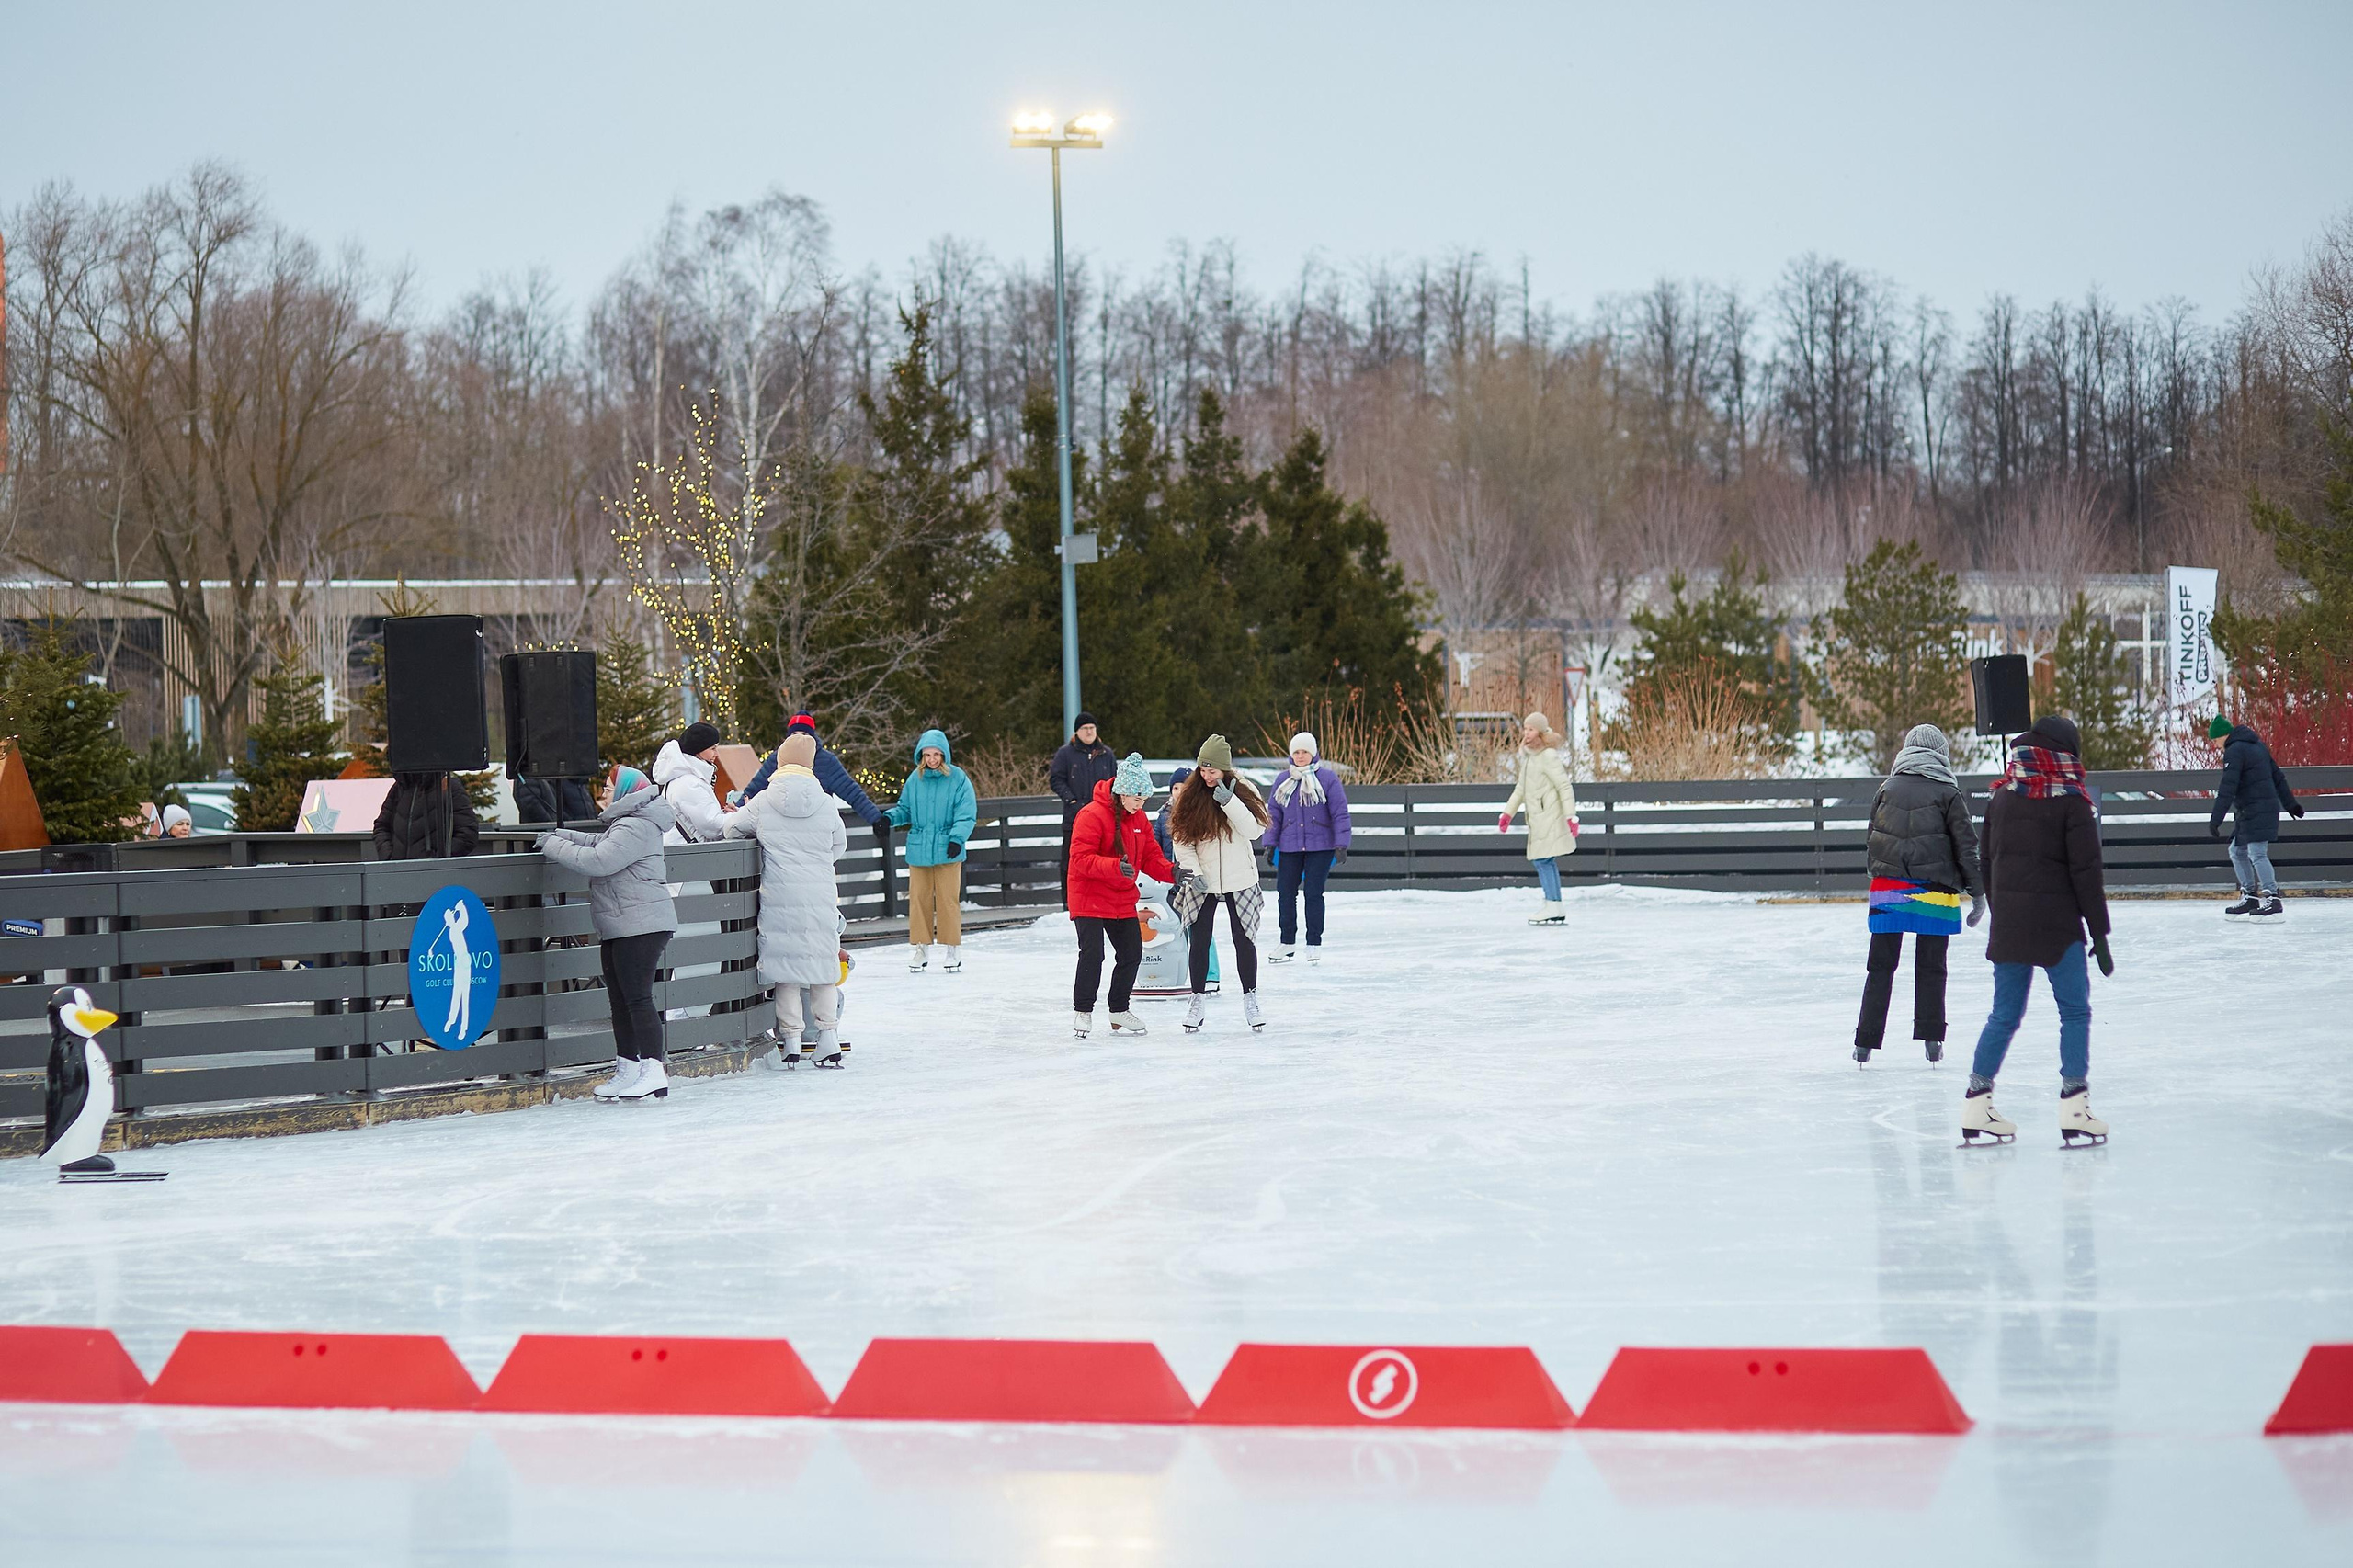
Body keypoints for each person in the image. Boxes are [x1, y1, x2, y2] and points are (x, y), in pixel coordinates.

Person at [1961, 715, 2114, 1148]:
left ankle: (1976, 1101)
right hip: (2058, 927)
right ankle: (2074, 1107)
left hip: (2009, 926)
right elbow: (2087, 874)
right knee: (2075, 1012)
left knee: (2004, 1015)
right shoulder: (2073, 802)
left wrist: (2004, 906)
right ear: (2067, 754)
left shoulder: (2002, 799)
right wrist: (2099, 934)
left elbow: (1986, 864)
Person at [538, 765, 679, 1102]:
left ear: (624, 791)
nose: (601, 791)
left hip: (641, 924)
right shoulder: (625, 823)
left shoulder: (636, 825)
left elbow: (598, 860)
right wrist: (560, 834)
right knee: (620, 1001)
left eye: (607, 786)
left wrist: (550, 846)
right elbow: (594, 841)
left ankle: (653, 1070)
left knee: (637, 999)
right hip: (622, 922)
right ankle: (628, 1067)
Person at [1855, 723, 1984, 1066]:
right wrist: (1978, 894)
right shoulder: (1947, 792)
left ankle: (1864, 1043)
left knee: (1880, 967)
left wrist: (1881, 875)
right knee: (1931, 968)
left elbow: (1872, 837)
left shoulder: (1887, 787)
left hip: (1889, 888)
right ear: (1941, 753)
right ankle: (1931, 1040)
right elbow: (1967, 849)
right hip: (1934, 893)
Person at [724, 733, 849, 1066]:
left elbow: (731, 829)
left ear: (780, 760)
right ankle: (829, 1036)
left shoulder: (764, 800)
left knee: (786, 970)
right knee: (823, 965)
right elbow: (839, 846)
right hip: (820, 894)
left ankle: (792, 1040)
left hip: (780, 894)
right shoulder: (825, 801)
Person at [1168, 734, 1269, 1034]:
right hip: (1205, 878)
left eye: (1213, 771)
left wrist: (1230, 802)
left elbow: (1253, 831)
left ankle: (1250, 997)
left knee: (1244, 938)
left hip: (1240, 877)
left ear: (1225, 769)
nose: (1206, 776)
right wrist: (1193, 872)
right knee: (1199, 939)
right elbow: (1182, 842)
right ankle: (1197, 998)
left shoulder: (1245, 790)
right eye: (1203, 769)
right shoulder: (1192, 795)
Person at [1068, 752, 1175, 1037]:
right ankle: (1083, 1011)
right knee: (1093, 954)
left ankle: (1118, 1010)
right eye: (1137, 799)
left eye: (1144, 800)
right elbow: (1080, 858)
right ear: (1122, 793)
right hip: (1089, 894)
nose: (1141, 805)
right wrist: (1115, 866)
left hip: (1120, 895)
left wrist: (1171, 872)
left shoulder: (1137, 818)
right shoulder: (1091, 815)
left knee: (1131, 952)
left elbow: (1151, 855)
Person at [885, 728, 978, 974]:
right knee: (918, 901)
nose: (932, 759)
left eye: (936, 754)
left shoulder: (958, 778)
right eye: (927, 755)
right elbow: (904, 809)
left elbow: (966, 812)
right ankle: (922, 947)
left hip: (948, 849)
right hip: (919, 850)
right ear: (921, 756)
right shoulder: (915, 780)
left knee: (948, 900)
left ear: (944, 755)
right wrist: (889, 819)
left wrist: (957, 838)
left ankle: (952, 948)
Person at [1260, 732, 1352, 963]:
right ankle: (1287, 942)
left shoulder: (1328, 779)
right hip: (1289, 846)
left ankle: (1313, 942)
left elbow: (1340, 812)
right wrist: (1270, 843)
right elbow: (1274, 814)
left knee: (1313, 894)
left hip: (1320, 846)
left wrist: (1341, 843)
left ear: (1313, 753)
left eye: (1305, 752)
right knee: (1285, 894)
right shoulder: (1283, 780)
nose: (1300, 756)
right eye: (1296, 752)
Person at [2208, 713, 2303, 920]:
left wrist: (2216, 819)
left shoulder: (2234, 751)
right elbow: (2277, 776)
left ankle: (2272, 898)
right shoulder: (2257, 745)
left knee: (2257, 853)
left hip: (2257, 809)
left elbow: (2227, 787)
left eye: (2215, 741)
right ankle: (2250, 895)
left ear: (2224, 736)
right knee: (2236, 850)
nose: (2216, 746)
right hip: (2253, 810)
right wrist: (2291, 805)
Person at [741, 712, 887, 842]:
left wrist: (875, 818)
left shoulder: (827, 762)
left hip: (817, 835)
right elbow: (754, 790)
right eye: (795, 734)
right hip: (783, 835)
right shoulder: (777, 758)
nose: (800, 739)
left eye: (805, 735)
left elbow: (852, 792)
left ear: (812, 737)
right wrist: (735, 812)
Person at [1498, 712, 1579, 926]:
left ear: (1541, 732)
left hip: (1549, 816)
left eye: (1531, 729)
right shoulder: (1529, 758)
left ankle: (1553, 904)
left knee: (1542, 860)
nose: (1526, 733)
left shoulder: (1548, 757)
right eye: (1525, 729)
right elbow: (1521, 789)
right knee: (1544, 860)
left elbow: (1564, 786)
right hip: (1538, 818)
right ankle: (1554, 904)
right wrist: (1508, 813)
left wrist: (1571, 816)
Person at [1050, 713, 1119, 905]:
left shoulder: (1107, 754)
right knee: (1071, 862)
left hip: (1104, 817)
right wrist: (1071, 800)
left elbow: (1115, 782)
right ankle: (1069, 903)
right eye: (1084, 728)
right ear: (1077, 732)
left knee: (1104, 859)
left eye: (1092, 728)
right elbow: (1056, 779)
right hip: (1075, 817)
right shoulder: (1065, 754)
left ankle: (1102, 901)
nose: (1089, 732)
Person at [652, 721, 732, 845]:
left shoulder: (683, 777)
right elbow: (713, 826)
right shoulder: (689, 783)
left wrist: (723, 814)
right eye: (713, 748)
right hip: (688, 856)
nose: (717, 754)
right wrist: (740, 817)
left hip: (681, 851)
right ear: (698, 749)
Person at [372, 772, 481, 860]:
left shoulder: (448, 787)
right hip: (397, 875)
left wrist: (438, 860)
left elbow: (468, 833)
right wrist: (389, 858)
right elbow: (381, 826)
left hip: (436, 879)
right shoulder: (399, 789)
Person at [512, 775, 597, 825]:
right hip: (540, 838)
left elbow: (554, 807)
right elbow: (530, 804)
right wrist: (553, 825)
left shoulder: (581, 784)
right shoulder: (529, 774)